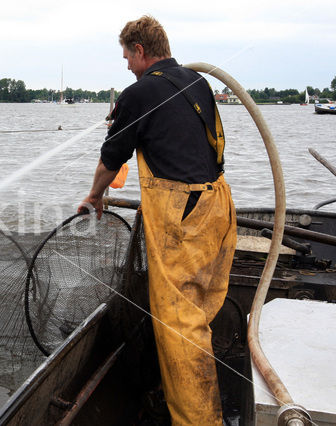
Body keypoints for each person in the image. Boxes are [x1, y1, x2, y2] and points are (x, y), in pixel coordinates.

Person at [79, 16, 237, 426]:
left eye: (127, 57)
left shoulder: (139, 92)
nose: (127, 65)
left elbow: (111, 159)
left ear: (140, 51)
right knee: (197, 313)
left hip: (181, 216)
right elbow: (216, 146)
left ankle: (200, 421)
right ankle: (192, 397)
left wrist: (95, 196)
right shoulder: (197, 83)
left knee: (179, 327)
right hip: (218, 206)